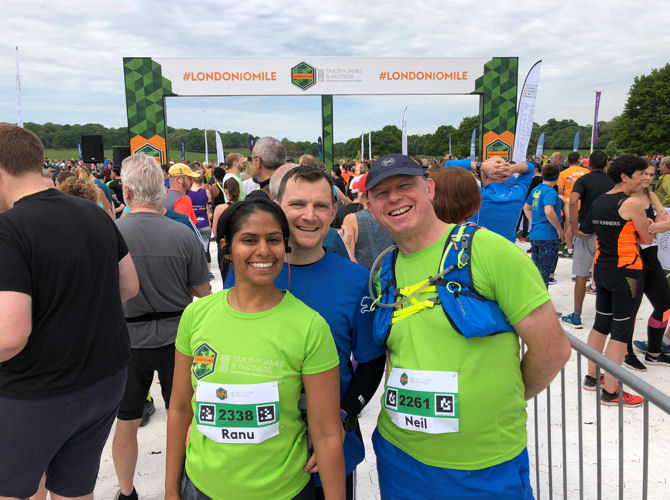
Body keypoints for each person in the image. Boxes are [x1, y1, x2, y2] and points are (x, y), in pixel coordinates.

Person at [365, 154, 570, 499]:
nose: (394, 198)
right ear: (370, 207)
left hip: (483, 465)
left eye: (404, 186)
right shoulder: (384, 269)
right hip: (400, 456)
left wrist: (499, 400)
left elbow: (553, 350)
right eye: (381, 193)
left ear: (429, 188)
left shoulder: (490, 252)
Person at [166, 197, 345, 499]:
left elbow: (327, 434)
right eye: (249, 239)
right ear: (225, 247)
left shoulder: (310, 327)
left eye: (274, 240)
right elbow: (181, 408)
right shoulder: (196, 316)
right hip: (200, 488)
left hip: (283, 491)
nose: (263, 250)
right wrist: (170, 491)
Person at [0, 122, 139, 499]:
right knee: (74, 489)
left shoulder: (8, 229)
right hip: (103, 382)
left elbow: (10, 336)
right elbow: (129, 286)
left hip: (36, 391)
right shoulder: (92, 212)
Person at [274, 166, 386, 498]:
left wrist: (342, 417)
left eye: (320, 206)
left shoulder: (356, 281)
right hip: (261, 452)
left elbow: (371, 362)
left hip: (325, 455)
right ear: (276, 204)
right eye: (297, 204)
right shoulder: (250, 272)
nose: (309, 216)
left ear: (333, 211)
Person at [112, 154, 211, 500]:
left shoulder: (111, 232)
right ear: (161, 191)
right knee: (181, 415)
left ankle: (126, 491)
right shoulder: (183, 233)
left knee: (126, 422)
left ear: (126, 191)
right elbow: (203, 291)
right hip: (177, 339)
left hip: (126, 342)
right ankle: (181, 483)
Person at [581, 154, 652, 407]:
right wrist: (649, 225)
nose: (644, 179)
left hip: (602, 268)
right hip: (627, 272)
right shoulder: (632, 202)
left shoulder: (601, 200)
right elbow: (646, 239)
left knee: (601, 324)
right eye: (640, 174)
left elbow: (586, 228)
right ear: (624, 176)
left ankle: (592, 377)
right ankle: (611, 392)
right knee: (621, 331)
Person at [623, 163, 670, 369]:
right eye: (643, 174)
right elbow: (647, 230)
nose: (648, 177)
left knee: (665, 305)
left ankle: (654, 351)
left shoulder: (651, 196)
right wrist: (656, 227)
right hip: (632, 258)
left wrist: (658, 225)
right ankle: (627, 353)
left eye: (651, 174)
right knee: (630, 308)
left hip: (651, 257)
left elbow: (661, 219)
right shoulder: (625, 198)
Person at [562, 150, 614, 329]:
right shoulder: (612, 181)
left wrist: (575, 227)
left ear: (588, 163)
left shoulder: (583, 180)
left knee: (581, 275)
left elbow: (573, 201)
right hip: (608, 233)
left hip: (586, 232)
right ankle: (608, 316)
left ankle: (576, 316)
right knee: (607, 275)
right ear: (606, 163)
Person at [445, 157, 534, 242]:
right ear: (507, 175)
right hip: (507, 251)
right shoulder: (518, 194)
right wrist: (513, 168)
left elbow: (448, 166)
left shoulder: (476, 194)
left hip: (477, 251)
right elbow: (530, 168)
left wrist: (481, 166)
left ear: (484, 176)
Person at [523, 164, 565, 287]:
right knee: (545, 272)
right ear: (557, 177)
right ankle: (542, 302)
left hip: (535, 234)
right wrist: (559, 228)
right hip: (548, 235)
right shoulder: (550, 191)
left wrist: (534, 221)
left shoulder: (536, 189)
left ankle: (534, 299)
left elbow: (526, 207)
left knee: (536, 271)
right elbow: (549, 210)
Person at [342, 173, 394, 269]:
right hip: (393, 277)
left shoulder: (352, 219)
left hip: (365, 278)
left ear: (361, 195)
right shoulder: (395, 215)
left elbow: (349, 257)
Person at [557, 152, 590, 258]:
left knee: (569, 225)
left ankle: (570, 249)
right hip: (584, 200)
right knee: (585, 225)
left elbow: (560, 190)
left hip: (569, 201)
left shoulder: (563, 173)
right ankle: (583, 248)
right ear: (578, 160)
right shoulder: (586, 172)